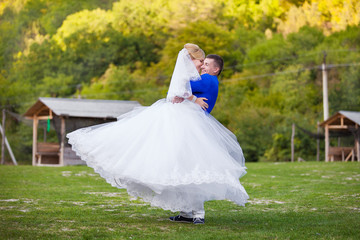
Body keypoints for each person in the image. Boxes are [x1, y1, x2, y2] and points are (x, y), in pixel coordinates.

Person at [67, 43, 248, 225]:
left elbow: (182, 85)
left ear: (216, 70)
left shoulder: (208, 79)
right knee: (181, 167)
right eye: (202, 62)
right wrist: (185, 95)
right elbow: (180, 89)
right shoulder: (204, 79)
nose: (203, 66)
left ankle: (197, 213)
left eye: (206, 63)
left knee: (190, 167)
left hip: (191, 126)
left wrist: (186, 94)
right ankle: (186, 212)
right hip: (187, 123)